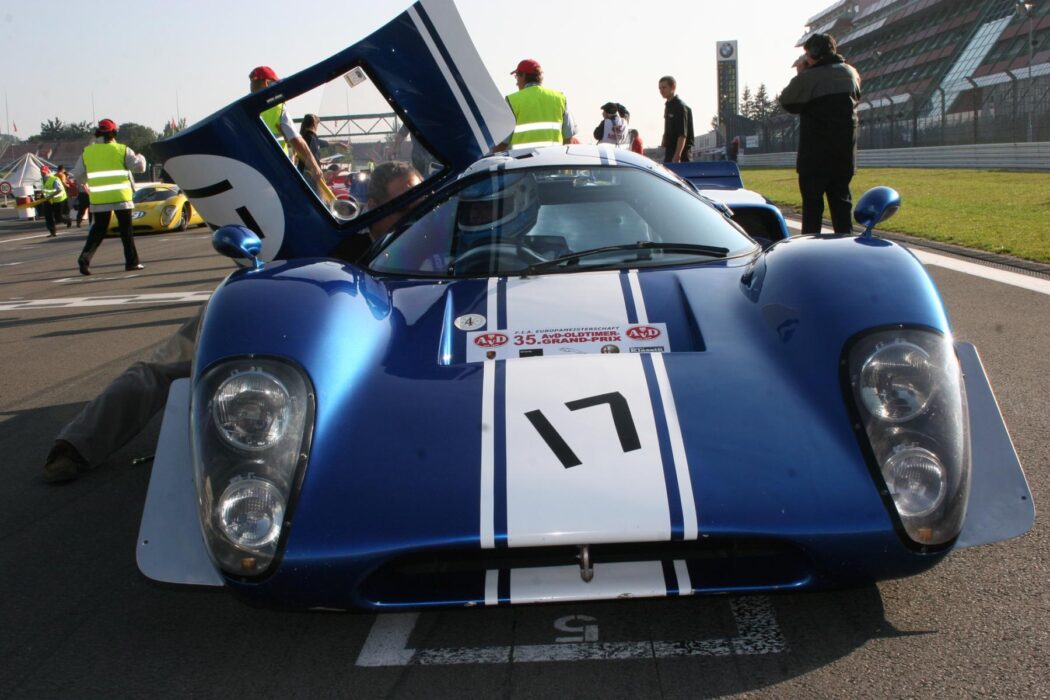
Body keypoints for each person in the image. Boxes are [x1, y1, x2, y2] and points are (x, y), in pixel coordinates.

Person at [778, 32, 861, 234]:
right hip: (844, 158)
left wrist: (801, 74)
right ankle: (846, 247)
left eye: (807, 54)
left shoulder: (809, 77)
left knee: (812, 211)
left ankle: (811, 251)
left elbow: (787, 101)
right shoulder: (851, 73)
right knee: (842, 210)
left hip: (814, 159)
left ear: (814, 53)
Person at [71, 119, 147, 274]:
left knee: (98, 231)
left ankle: (85, 259)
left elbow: (78, 175)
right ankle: (132, 262)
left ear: (97, 133)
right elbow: (139, 167)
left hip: (99, 199)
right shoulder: (122, 149)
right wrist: (141, 157)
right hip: (121, 198)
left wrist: (86, 182)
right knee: (126, 231)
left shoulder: (88, 152)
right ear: (114, 133)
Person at [249, 66, 325, 191]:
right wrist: (314, 167)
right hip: (277, 171)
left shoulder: (246, 108)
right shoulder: (277, 108)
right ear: (267, 83)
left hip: (254, 172)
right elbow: (295, 139)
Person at [330, 160, 422, 262]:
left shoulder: (430, 240)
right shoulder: (348, 255)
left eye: (421, 206)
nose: (417, 219)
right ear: (373, 207)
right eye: (402, 208)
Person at [498, 59, 577, 150]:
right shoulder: (560, 98)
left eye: (517, 77)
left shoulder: (512, 100)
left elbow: (502, 142)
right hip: (553, 157)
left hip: (521, 158)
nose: (516, 82)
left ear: (523, 76)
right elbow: (568, 138)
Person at [658, 76, 694, 163]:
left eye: (664, 87)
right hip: (670, 150)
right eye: (660, 88)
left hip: (681, 153)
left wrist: (677, 155)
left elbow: (682, 134)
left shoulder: (680, 107)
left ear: (673, 87)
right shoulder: (668, 106)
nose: (661, 91)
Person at [38, 165, 69, 237]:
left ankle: (68, 220)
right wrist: (42, 195)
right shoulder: (42, 180)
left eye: (44, 172)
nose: (42, 174)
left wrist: (50, 196)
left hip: (58, 200)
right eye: (41, 172)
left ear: (48, 172)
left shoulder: (54, 179)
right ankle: (52, 232)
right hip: (48, 200)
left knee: (59, 217)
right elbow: (45, 189)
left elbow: (59, 189)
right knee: (48, 216)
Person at [297, 113, 323, 194]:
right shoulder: (310, 138)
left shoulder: (306, 136)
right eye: (317, 124)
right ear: (314, 124)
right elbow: (309, 155)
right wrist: (315, 167)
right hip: (309, 174)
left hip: (309, 172)